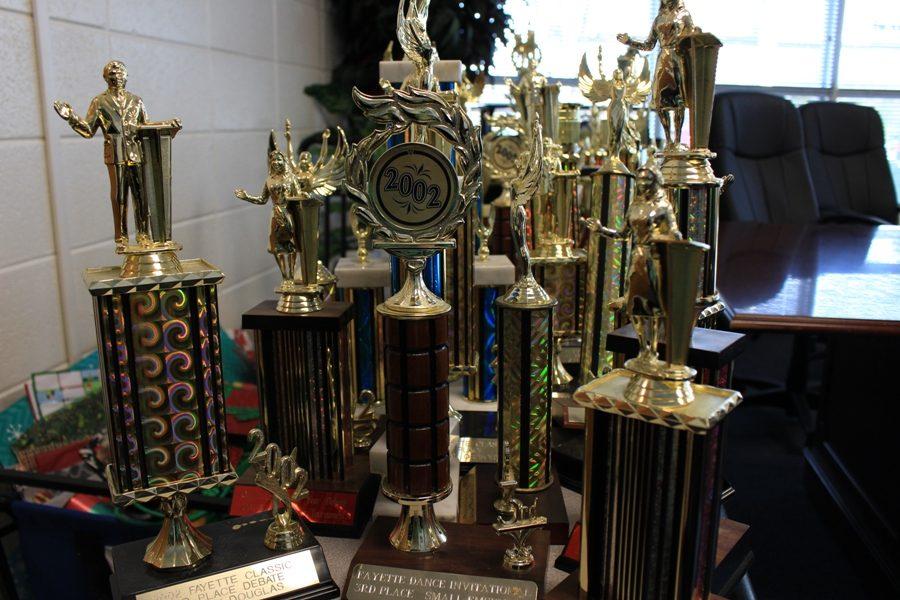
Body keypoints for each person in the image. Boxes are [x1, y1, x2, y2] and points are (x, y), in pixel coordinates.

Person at [54, 61, 180, 249]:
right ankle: (121, 237)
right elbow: (89, 130)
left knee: (141, 196)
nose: (117, 76)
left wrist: (169, 125)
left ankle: (143, 235)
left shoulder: (136, 100)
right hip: (115, 153)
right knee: (119, 196)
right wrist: (71, 117)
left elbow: (145, 126)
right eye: (112, 73)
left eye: (121, 72)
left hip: (136, 153)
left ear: (127, 76)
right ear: (106, 78)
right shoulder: (99, 101)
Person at [618, 0, 695, 151]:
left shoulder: (684, 15)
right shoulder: (659, 18)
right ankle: (668, 141)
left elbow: (693, 40)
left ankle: (678, 140)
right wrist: (629, 42)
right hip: (663, 61)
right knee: (660, 102)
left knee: (679, 101)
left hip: (678, 60)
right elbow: (649, 45)